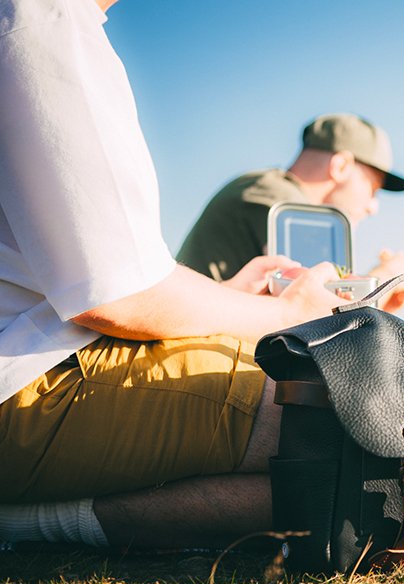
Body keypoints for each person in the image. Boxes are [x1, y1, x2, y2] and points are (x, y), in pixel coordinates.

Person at [0, 0, 374, 548]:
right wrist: (287, 313)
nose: (376, 202)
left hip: (34, 366)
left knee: (329, 474)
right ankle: (32, 522)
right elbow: (118, 296)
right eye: (375, 183)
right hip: (30, 381)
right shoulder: (42, 23)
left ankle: (28, 522)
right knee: (355, 425)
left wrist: (223, 297)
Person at [177, 113, 404, 313]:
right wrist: (386, 278)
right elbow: (319, 314)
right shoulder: (283, 201)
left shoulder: (265, 188)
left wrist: (380, 302)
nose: (372, 207)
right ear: (340, 167)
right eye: (372, 189)